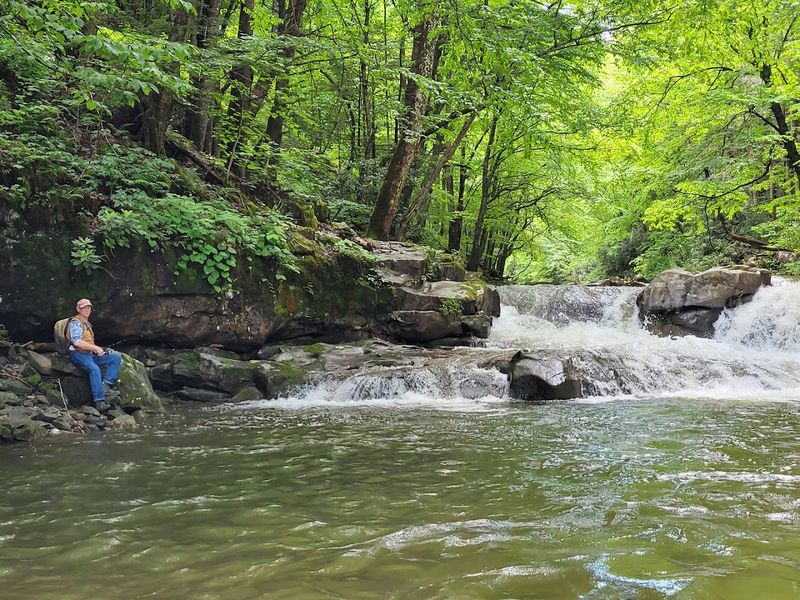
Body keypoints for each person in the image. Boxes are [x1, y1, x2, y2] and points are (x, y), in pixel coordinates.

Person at [68, 298, 121, 413]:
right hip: (77, 354)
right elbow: (76, 341)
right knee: (94, 369)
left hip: (90, 354)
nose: (87, 310)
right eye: (84, 308)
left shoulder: (87, 324)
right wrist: (95, 348)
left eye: (89, 308)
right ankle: (99, 401)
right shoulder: (75, 323)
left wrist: (99, 350)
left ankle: (106, 386)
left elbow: (89, 342)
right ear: (78, 309)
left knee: (115, 357)